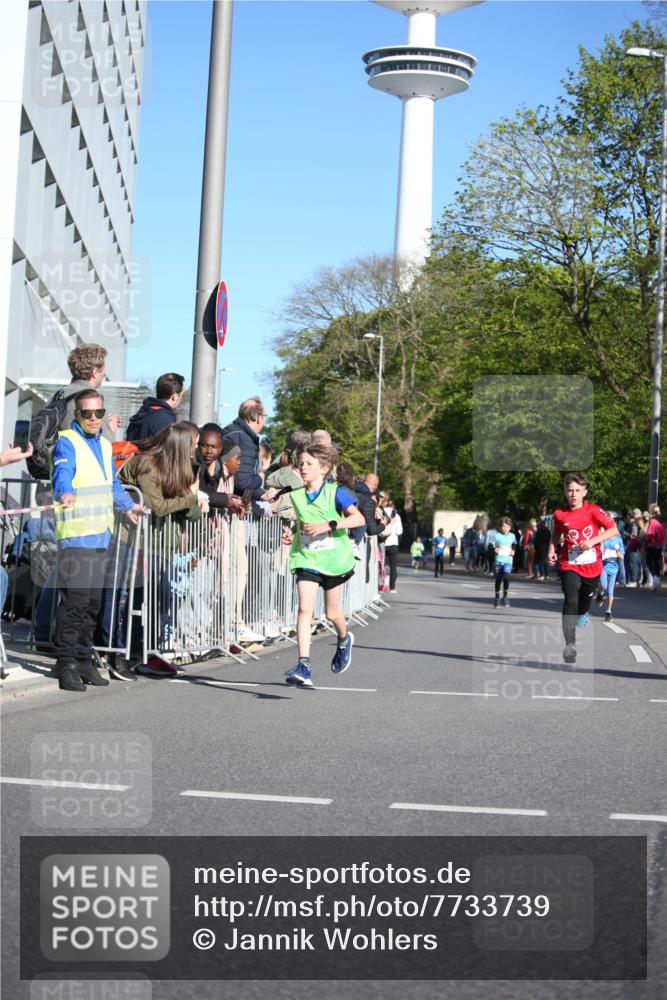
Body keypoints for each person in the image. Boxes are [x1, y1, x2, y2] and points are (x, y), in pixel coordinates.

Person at [50, 389, 143, 691]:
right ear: (76, 415)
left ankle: (84, 658)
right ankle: (65, 664)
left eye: (98, 413)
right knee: (75, 605)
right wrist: (63, 491)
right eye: (86, 413)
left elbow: (111, 482)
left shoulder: (105, 444)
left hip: (101, 535)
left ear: (104, 413)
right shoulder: (67, 441)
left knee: (92, 605)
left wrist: (127, 506)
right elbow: (62, 472)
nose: (93, 418)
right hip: (76, 536)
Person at [280, 444, 365, 688]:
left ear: (324, 468)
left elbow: (358, 519)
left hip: (333, 559)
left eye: (309, 464)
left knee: (331, 613)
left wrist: (330, 524)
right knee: (304, 609)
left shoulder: (336, 492)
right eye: (301, 464)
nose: (303, 468)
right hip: (307, 557)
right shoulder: (296, 495)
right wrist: (291, 533)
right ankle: (303, 665)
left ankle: (343, 639)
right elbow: (302, 524)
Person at [548, 472, 617, 664]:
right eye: (569, 490)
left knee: (582, 605)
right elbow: (555, 534)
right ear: (564, 492)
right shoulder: (560, 514)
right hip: (569, 564)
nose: (573, 494)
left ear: (584, 492)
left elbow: (613, 529)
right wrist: (551, 550)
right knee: (570, 600)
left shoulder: (593, 510)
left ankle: (584, 612)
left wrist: (593, 541)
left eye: (577, 490)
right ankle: (570, 644)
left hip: (592, 567)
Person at [222, 397, 276, 504]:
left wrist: (261, 494)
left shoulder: (228, 431)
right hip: (228, 506)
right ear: (259, 418)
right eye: (264, 417)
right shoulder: (245, 441)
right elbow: (242, 482)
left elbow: (238, 479)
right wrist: (259, 478)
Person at [125, 373, 185, 442]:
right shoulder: (166, 421)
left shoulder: (141, 414)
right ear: (175, 397)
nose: (181, 398)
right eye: (181, 394)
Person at [595, 533, 625, 622]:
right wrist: (601, 551)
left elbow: (622, 556)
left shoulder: (619, 540)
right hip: (604, 566)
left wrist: (618, 553)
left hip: (614, 568)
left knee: (611, 591)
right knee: (604, 585)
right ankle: (600, 594)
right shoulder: (604, 539)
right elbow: (598, 553)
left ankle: (608, 612)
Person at [492, 517, 516, 608]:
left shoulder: (512, 536)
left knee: (506, 576)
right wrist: (495, 549)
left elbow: (514, 544)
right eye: (503, 526)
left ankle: (505, 597)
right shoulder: (496, 536)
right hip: (498, 561)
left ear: (510, 527)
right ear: (500, 527)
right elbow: (490, 545)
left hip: (508, 560)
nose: (505, 528)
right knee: (498, 579)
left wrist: (513, 550)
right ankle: (497, 598)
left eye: (507, 526)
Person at [381, 497, 403, 593]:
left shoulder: (381, 512)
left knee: (380, 564)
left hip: (382, 542)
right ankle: (392, 587)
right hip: (393, 543)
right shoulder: (396, 515)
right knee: (393, 567)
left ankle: (380, 585)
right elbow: (399, 531)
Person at [645, 504, 665, 591]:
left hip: (652, 544)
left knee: (649, 561)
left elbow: (650, 534)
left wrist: (647, 541)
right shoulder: (663, 521)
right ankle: (657, 579)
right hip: (660, 544)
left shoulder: (653, 521)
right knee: (656, 561)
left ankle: (656, 578)